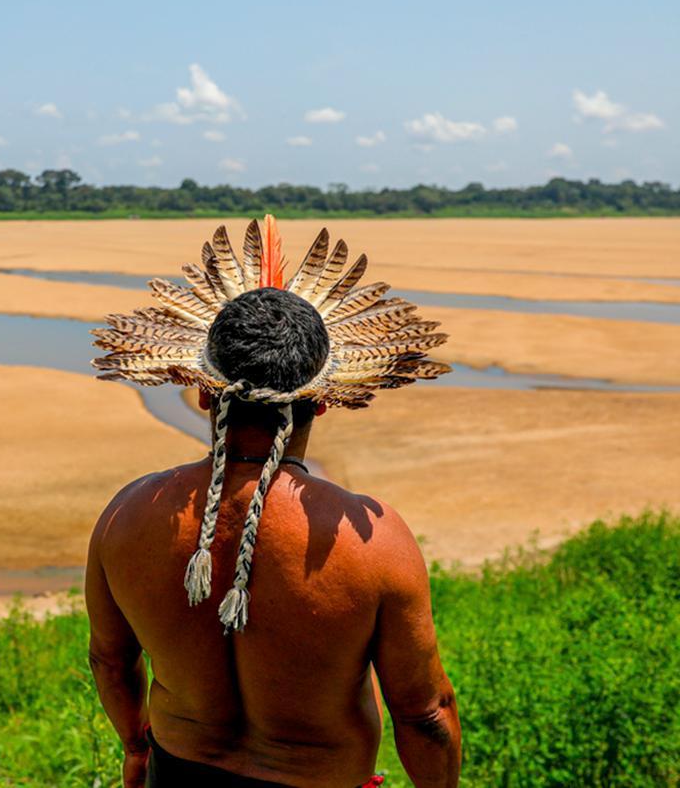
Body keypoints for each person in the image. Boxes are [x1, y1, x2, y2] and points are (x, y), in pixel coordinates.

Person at [87, 218, 461, 787]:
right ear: (325, 399)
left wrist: (137, 748)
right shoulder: (375, 543)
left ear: (203, 392)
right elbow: (426, 713)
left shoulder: (128, 515)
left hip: (179, 771)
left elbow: (111, 662)